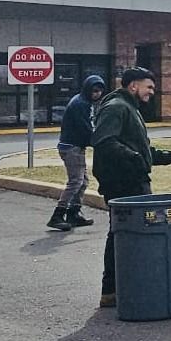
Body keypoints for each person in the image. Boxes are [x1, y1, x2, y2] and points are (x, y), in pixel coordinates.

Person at [90, 67, 171, 308]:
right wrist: (132, 157)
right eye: (149, 87)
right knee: (123, 235)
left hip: (133, 181)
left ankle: (123, 287)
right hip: (122, 184)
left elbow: (143, 152)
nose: (152, 92)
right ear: (133, 86)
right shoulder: (117, 107)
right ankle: (113, 289)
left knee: (129, 235)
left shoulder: (130, 109)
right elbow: (103, 141)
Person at [47, 74, 107, 232]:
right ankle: (58, 215)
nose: (97, 94)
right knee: (76, 182)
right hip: (71, 148)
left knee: (83, 181)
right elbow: (85, 130)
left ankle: (74, 213)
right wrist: (100, 142)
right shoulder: (81, 104)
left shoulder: (84, 102)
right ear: (88, 89)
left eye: (100, 91)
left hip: (74, 147)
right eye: (94, 90)